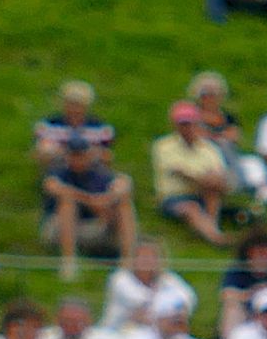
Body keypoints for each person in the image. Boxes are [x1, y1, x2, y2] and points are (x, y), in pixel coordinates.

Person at [40, 134, 136, 278]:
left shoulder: (100, 174)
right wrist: (89, 200)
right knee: (67, 203)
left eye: (81, 155)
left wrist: (106, 200)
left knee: (123, 205)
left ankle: (128, 263)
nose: (77, 159)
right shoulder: (58, 172)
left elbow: (123, 186)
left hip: (93, 227)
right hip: (59, 228)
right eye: (74, 155)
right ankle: (69, 262)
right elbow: (53, 187)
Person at [151, 101, 234, 246]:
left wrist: (209, 180)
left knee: (213, 190)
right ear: (175, 125)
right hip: (174, 197)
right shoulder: (163, 146)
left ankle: (208, 229)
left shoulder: (208, 148)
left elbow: (219, 174)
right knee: (192, 207)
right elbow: (180, 172)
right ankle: (216, 237)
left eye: (190, 123)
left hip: (203, 192)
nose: (187, 128)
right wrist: (206, 179)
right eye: (183, 124)